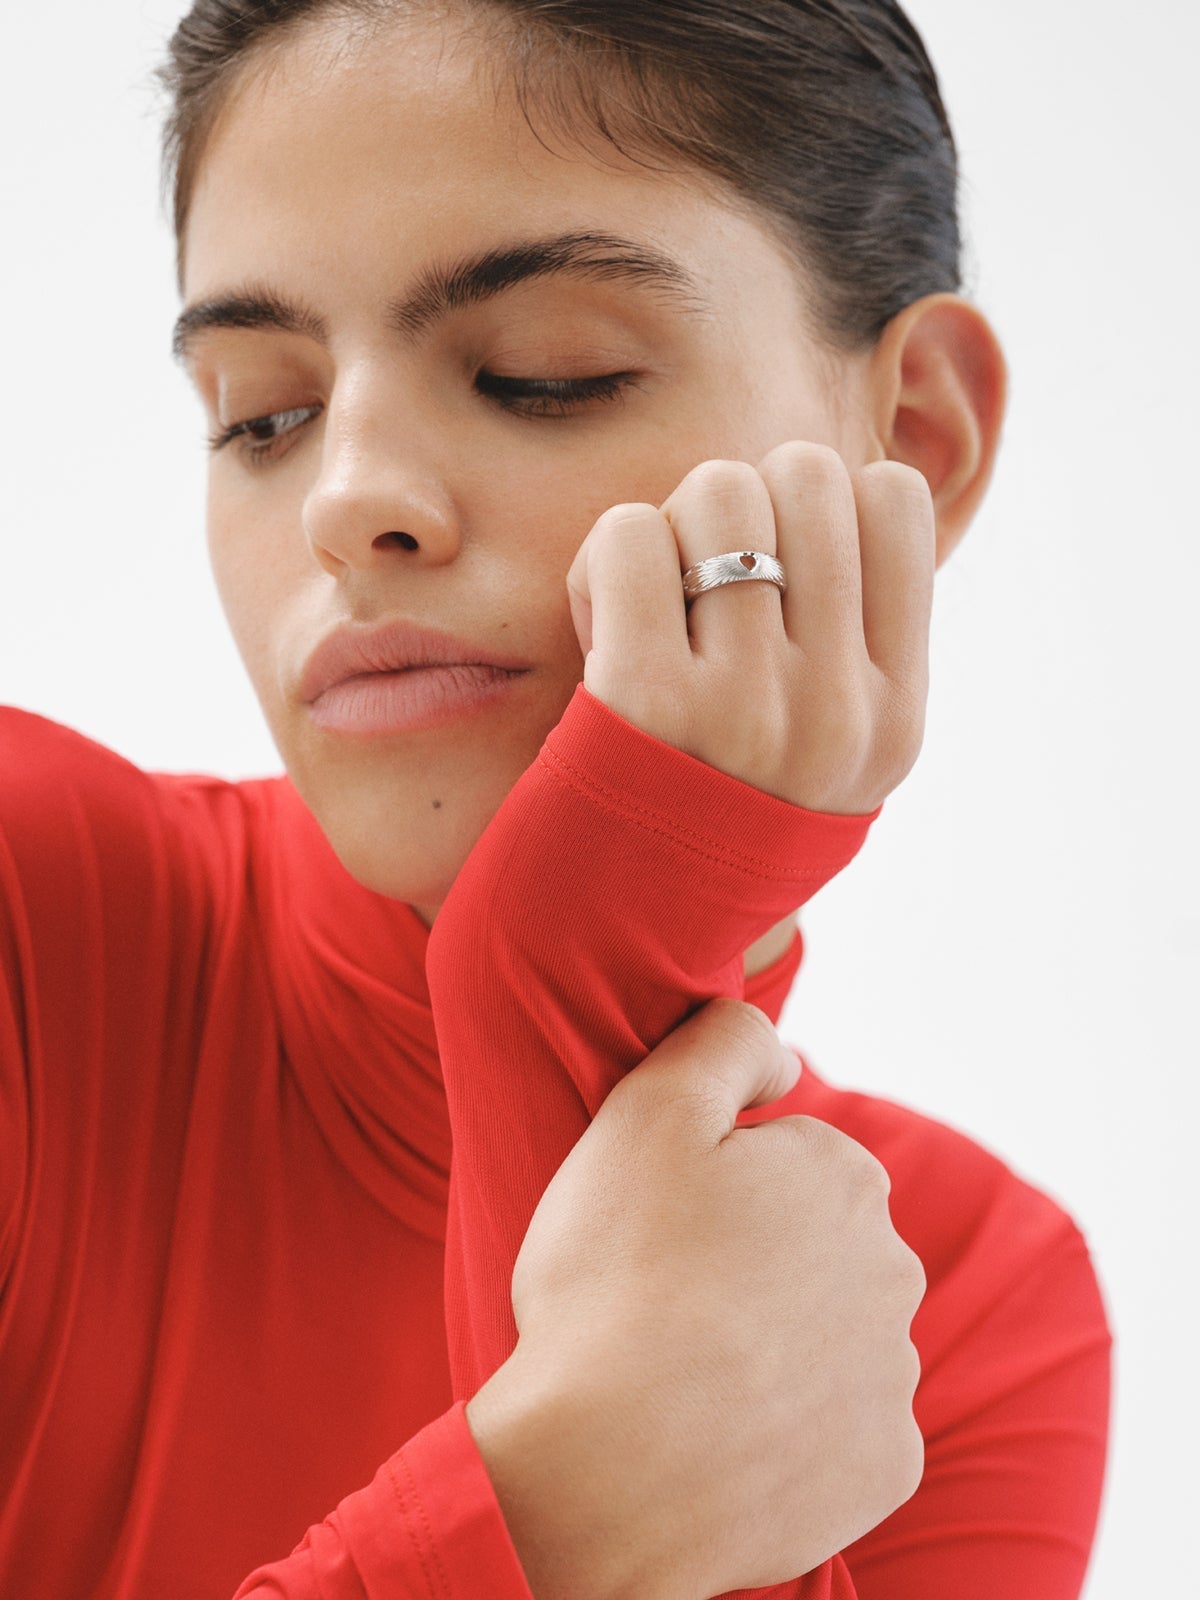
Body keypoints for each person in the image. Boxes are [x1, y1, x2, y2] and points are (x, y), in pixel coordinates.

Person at [0, 2, 1112, 1597]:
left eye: (544, 375)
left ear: (914, 440)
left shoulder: (967, 1306)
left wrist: (573, 976)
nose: (346, 499)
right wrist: (552, 1517)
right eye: (262, 413)